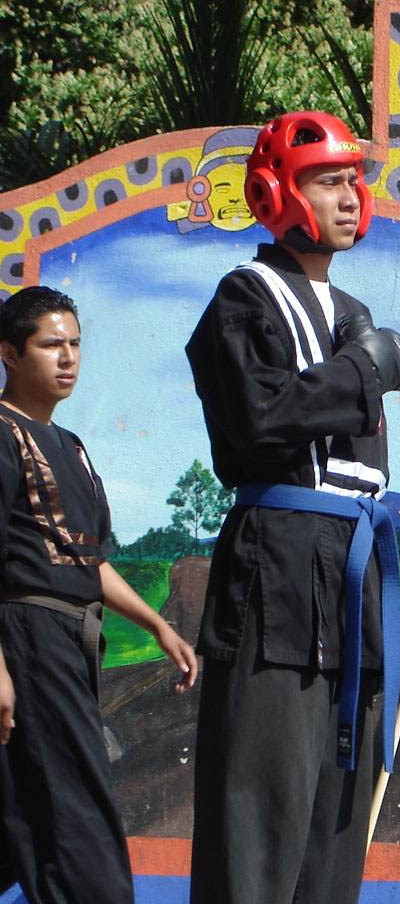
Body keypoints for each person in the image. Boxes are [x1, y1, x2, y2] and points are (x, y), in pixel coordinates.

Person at [185, 111, 400, 904]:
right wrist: (363, 371)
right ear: (278, 191)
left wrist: (360, 358)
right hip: (277, 560)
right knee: (259, 822)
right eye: (329, 181)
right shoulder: (245, 297)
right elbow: (258, 420)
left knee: (335, 828)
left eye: (355, 179)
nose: (351, 196)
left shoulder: (348, 307)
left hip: (352, 568)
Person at [0, 286, 197, 904]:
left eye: (75, 344)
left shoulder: (72, 448)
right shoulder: (2, 434)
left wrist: (157, 626)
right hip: (26, 637)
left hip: (70, 639)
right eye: (49, 345)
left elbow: (89, 562)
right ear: (9, 353)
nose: (68, 358)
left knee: (30, 812)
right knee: (77, 808)